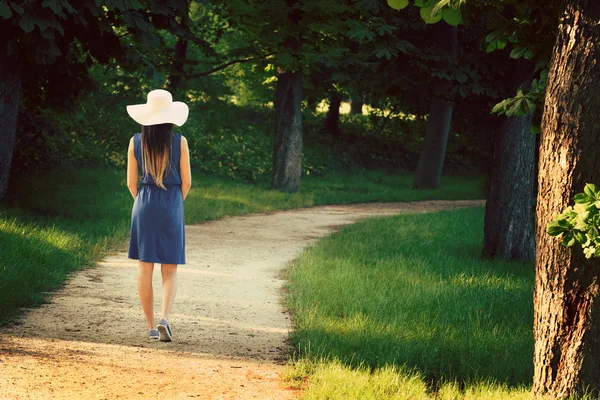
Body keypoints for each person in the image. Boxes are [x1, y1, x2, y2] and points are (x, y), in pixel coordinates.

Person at [125, 89, 192, 342]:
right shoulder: (180, 142)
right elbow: (186, 183)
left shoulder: (134, 141)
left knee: (145, 267)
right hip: (172, 203)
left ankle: (151, 326)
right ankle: (165, 317)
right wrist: (173, 205)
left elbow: (131, 183)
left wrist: (143, 203)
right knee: (170, 268)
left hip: (144, 204)